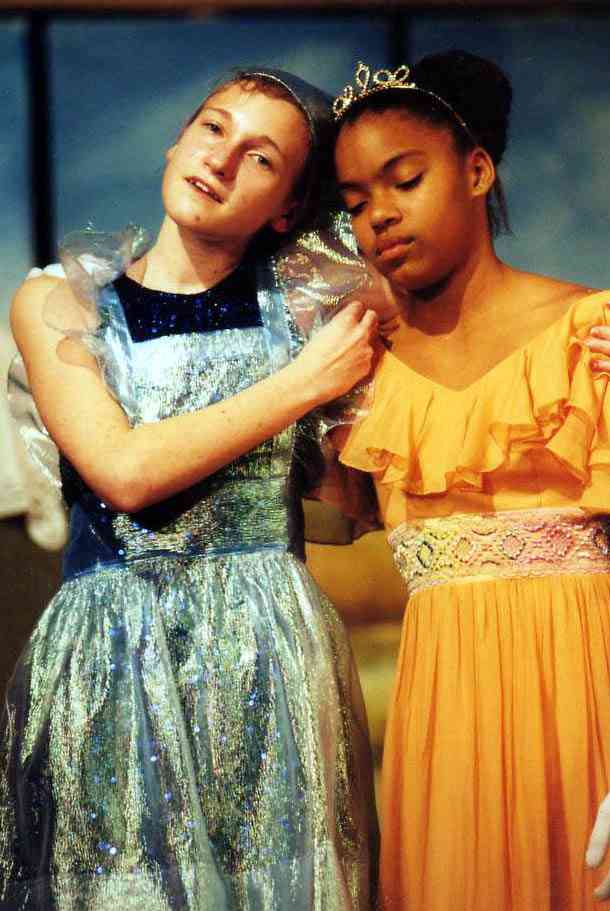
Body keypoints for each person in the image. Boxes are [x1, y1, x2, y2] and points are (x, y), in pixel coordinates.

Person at [330, 52, 610, 910]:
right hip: (446, 726)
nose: (379, 214)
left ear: (476, 171)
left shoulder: (598, 333)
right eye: (354, 201)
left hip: (591, 706)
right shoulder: (362, 368)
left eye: (404, 180)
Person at [1, 67, 380, 910]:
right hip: (114, 652)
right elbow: (124, 471)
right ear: (177, 140)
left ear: (287, 206)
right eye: (213, 128)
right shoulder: (61, 300)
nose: (221, 159)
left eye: (260, 157)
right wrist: (302, 386)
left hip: (267, 656)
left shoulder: (305, 313)